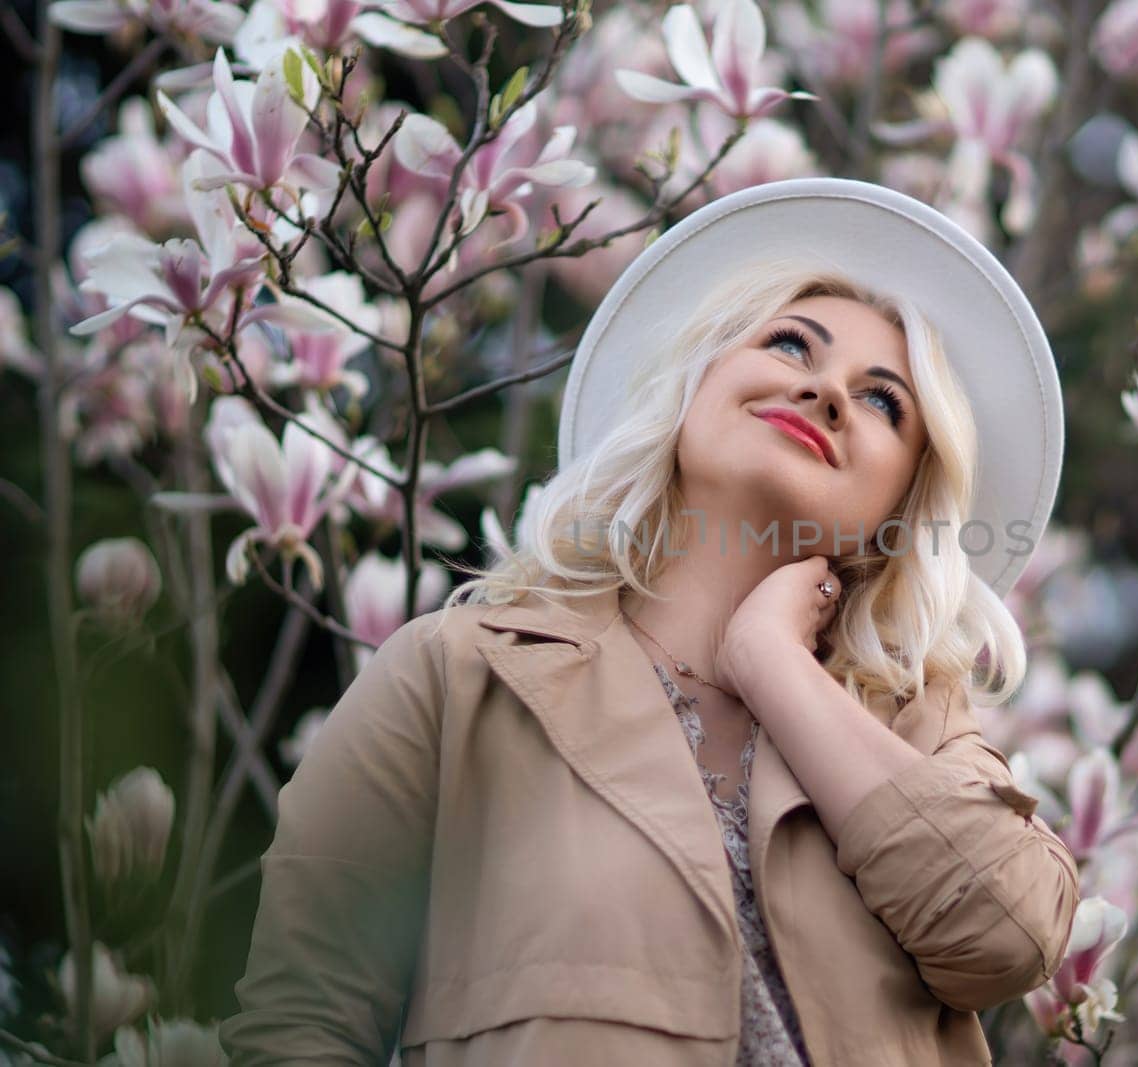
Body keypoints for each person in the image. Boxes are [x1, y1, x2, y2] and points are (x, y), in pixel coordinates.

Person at [219, 178, 1081, 1065]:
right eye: (791, 344)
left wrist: (772, 663)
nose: (826, 389)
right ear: (693, 385)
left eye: (883, 400)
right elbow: (300, 1027)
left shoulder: (920, 724)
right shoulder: (457, 679)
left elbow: (1007, 937)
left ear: (898, 512)